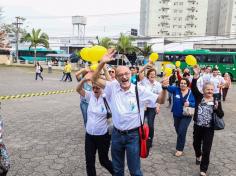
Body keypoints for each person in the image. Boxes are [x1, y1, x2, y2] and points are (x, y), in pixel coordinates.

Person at [91, 49, 169, 176]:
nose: (124, 76)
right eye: (120, 75)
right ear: (115, 77)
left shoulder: (140, 90)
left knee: (135, 171)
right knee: (117, 170)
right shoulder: (112, 87)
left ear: (131, 74)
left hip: (133, 136)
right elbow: (94, 79)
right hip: (116, 135)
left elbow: (161, 100)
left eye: (126, 73)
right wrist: (102, 63)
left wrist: (164, 89)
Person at [76, 78, 113, 176]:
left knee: (104, 161)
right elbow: (78, 89)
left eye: (98, 88)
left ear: (102, 88)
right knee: (89, 161)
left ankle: (117, 173)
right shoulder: (90, 95)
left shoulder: (108, 98)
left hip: (103, 136)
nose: (95, 90)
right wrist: (83, 80)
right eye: (94, 88)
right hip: (89, 136)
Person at [191, 65, 224, 176]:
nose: (210, 91)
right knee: (196, 144)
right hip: (198, 125)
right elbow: (193, 87)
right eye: (207, 89)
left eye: (211, 89)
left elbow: (221, 114)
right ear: (203, 90)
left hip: (209, 128)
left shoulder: (216, 100)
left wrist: (216, 108)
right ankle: (197, 154)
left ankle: (203, 169)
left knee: (207, 149)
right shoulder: (199, 97)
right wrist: (196, 75)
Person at [167, 77, 195, 157]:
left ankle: (179, 149)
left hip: (186, 115)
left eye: (184, 83)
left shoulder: (191, 92)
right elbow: (167, 87)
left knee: (182, 130)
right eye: (181, 83)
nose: (182, 84)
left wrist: (189, 104)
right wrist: (165, 82)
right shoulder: (176, 89)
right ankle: (181, 138)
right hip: (176, 114)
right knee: (178, 129)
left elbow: (195, 103)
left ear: (187, 84)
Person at [139, 68, 162, 147]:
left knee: (150, 124)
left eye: (154, 74)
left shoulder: (158, 84)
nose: (152, 75)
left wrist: (158, 107)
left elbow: (160, 97)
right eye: (150, 74)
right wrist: (146, 66)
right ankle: (140, 139)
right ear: (148, 75)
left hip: (152, 107)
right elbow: (140, 72)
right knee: (141, 123)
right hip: (144, 107)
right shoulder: (144, 82)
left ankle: (149, 139)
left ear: (155, 75)